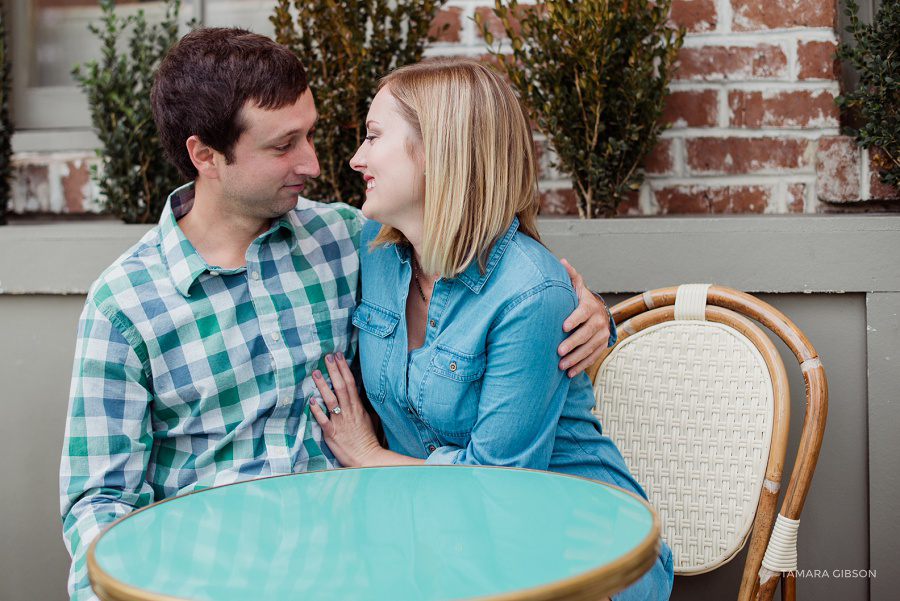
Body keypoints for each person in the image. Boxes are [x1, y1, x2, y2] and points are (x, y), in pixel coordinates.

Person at [59, 29, 611, 601]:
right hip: (213, 576)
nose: (317, 163)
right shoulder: (125, 306)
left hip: (364, 562)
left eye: (310, 135)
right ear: (205, 156)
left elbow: (489, 269)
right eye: (283, 146)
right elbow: (98, 503)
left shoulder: (350, 240)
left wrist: (588, 314)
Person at [308, 58, 674, 600]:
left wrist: (368, 456)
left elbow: (497, 486)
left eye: (373, 136)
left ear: (439, 148)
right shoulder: (374, 253)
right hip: (446, 548)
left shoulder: (530, 292)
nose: (357, 157)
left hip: (576, 553)